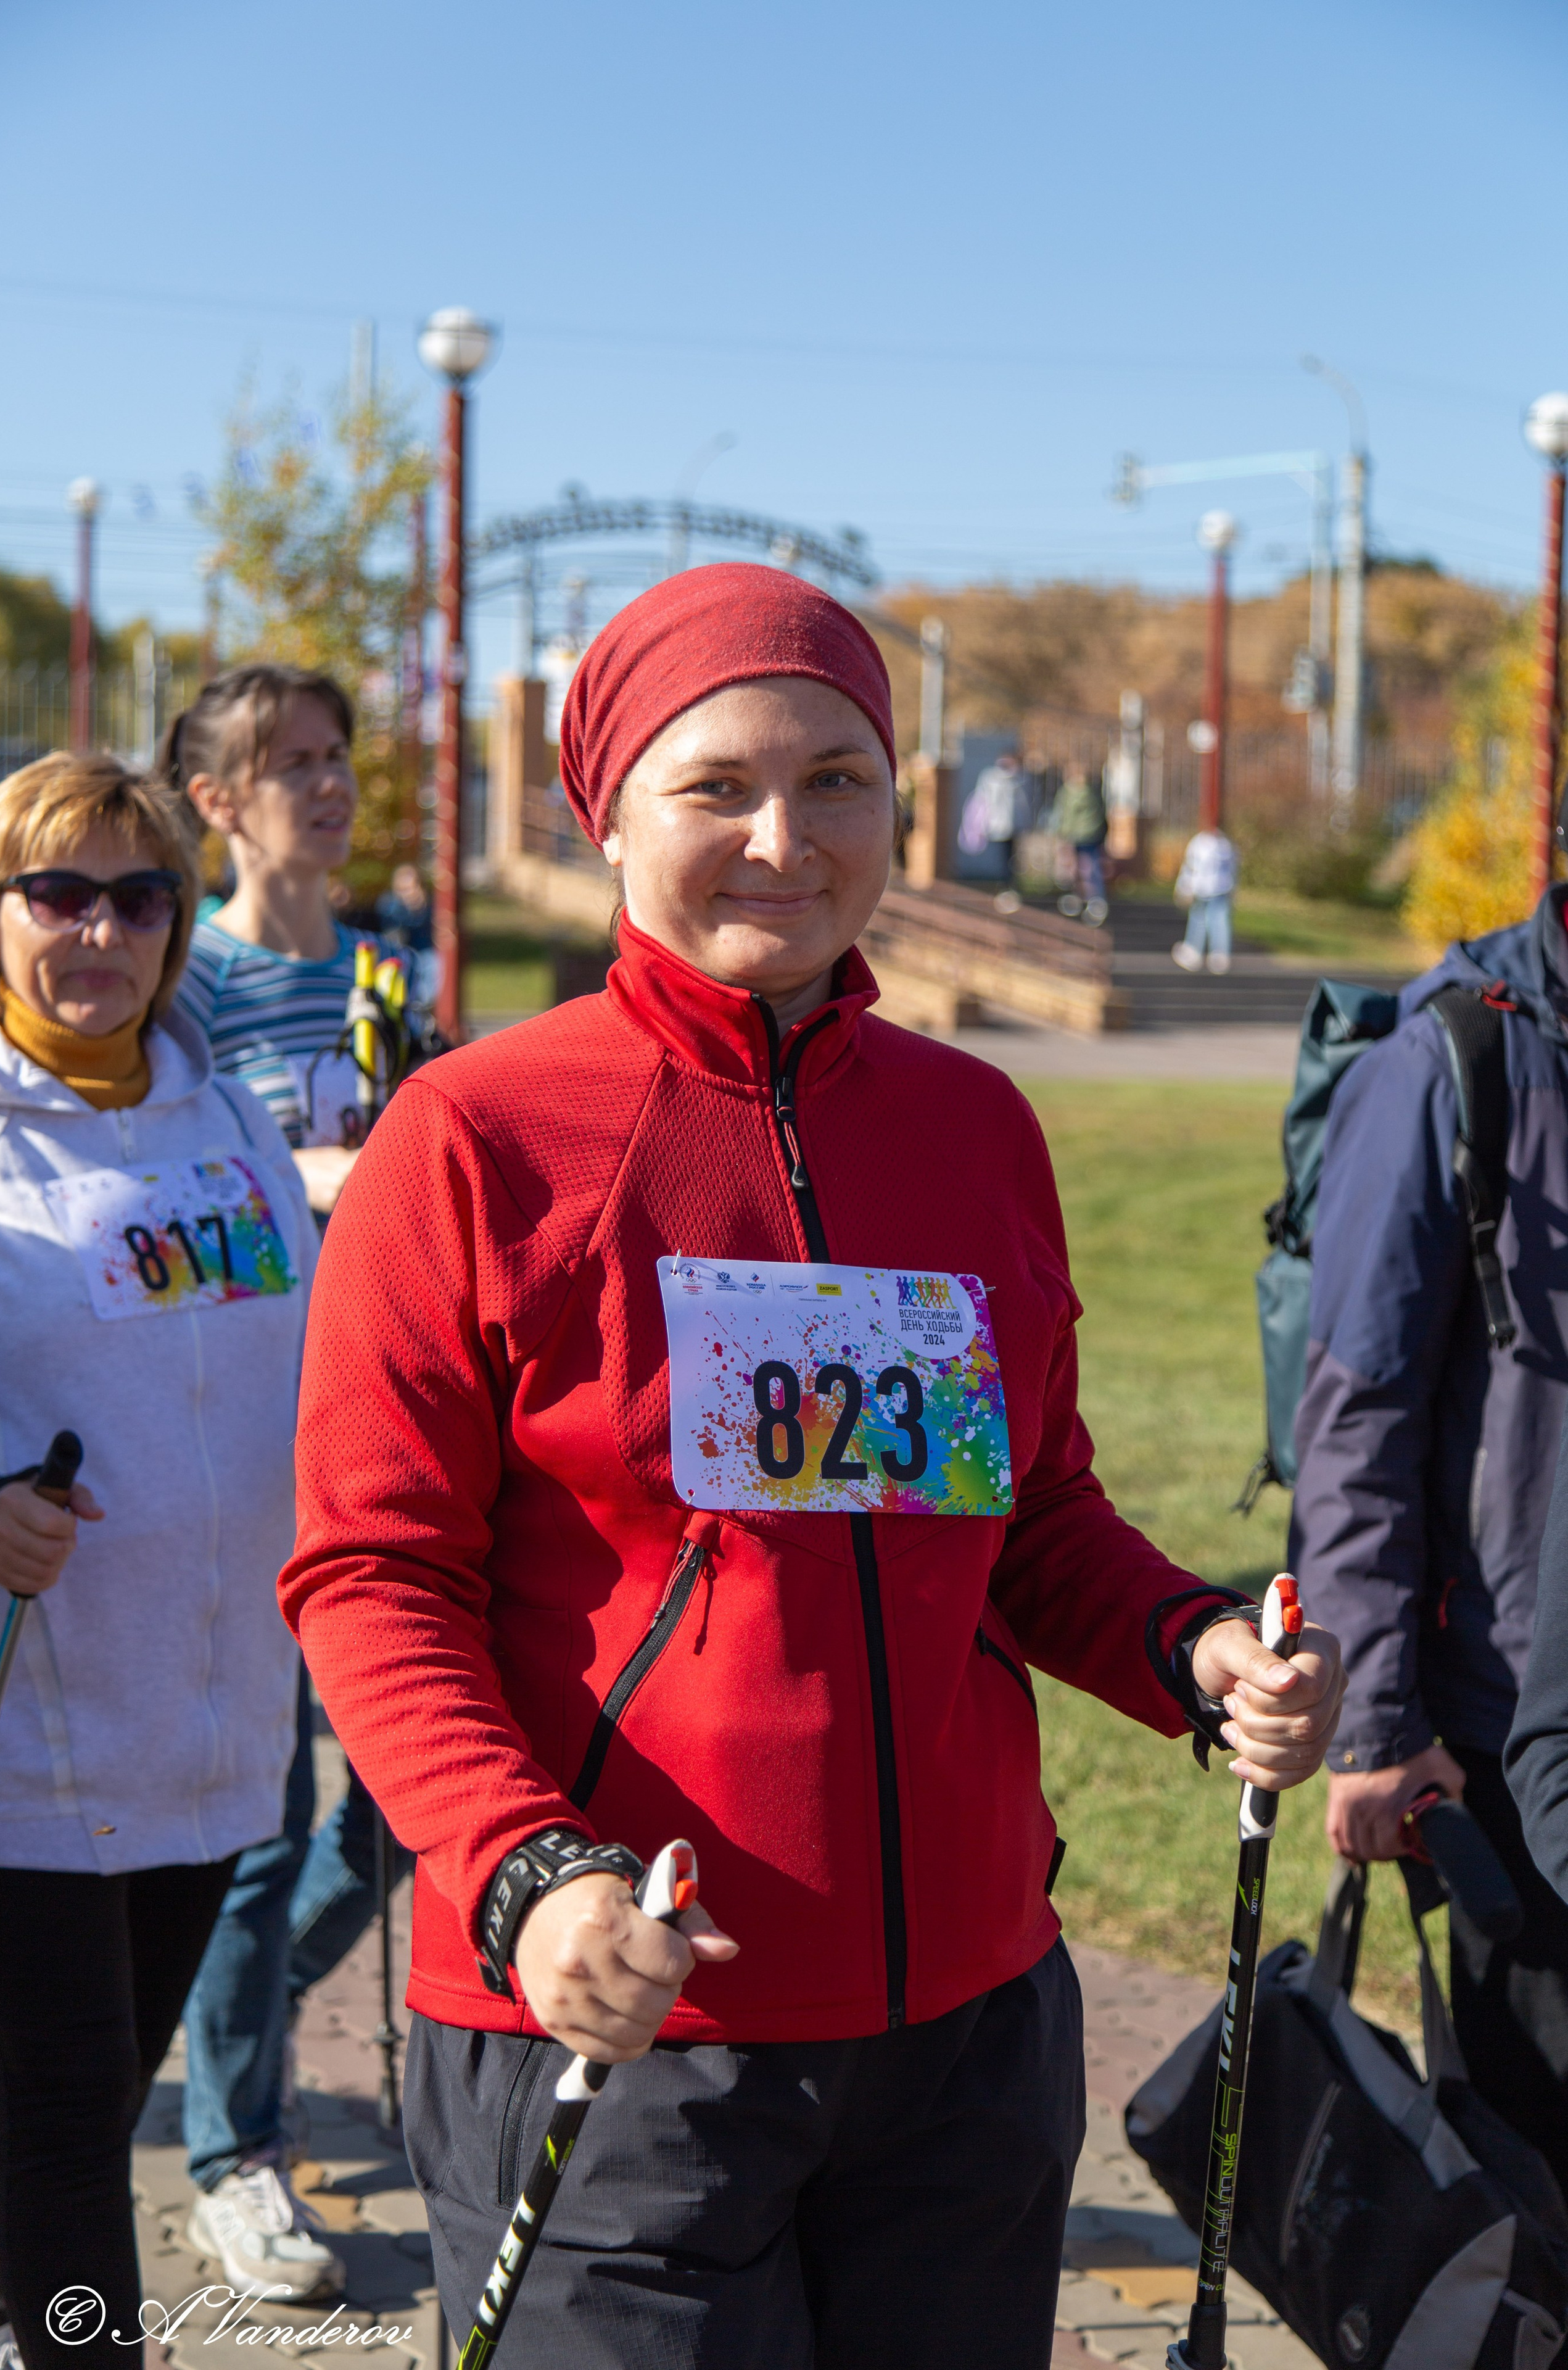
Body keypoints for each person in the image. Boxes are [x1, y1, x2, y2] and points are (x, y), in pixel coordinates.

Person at [279, 563, 1344, 2370]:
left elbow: (1024, 1512)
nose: (785, 835)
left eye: (839, 779)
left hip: (966, 2040)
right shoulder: (472, 1136)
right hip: (620, 2024)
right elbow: (369, 1572)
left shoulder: (971, 1122)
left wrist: (1189, 1647)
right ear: (605, 810)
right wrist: (525, 1871)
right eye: (718, 786)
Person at [0, 754, 316, 2370]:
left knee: (97, 2092)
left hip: (218, 1707)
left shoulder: (225, 1105)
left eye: (139, 895)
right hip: (27, 1727)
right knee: (66, 2118)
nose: (100, 929)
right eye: (59, 892)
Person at [163, 665, 414, 2297]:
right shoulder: (185, 990)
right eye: (288, 765)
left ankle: (207, 2023)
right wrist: (311, 1177)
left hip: (388, 1436)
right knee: (266, 1825)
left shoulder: (392, 974)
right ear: (218, 802)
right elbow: (166, 1212)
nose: (324, 788)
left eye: (335, 758)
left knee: (396, 1808)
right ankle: (232, 2152)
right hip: (247, 1440)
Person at [1292, 876, 1568, 2193]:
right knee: (1530, 2182)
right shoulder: (1454, 1058)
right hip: (1504, 1740)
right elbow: (1356, 1414)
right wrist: (1375, 1727)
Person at [1171, 824, 1237, 975]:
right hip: (1221, 888)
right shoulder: (1225, 843)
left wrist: (1183, 887)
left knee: (1200, 919)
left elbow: (1190, 868)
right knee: (1218, 920)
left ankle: (1195, 950)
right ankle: (1220, 955)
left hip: (1202, 889)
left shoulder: (1199, 842)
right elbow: (1233, 868)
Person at [1050, 765, 1108, 923]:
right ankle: (1094, 899)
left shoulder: (1068, 793)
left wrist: (1062, 834)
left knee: (1076, 869)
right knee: (1090, 867)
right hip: (1092, 835)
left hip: (1075, 836)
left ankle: (1080, 897)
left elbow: (1063, 816)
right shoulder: (1094, 792)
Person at [958, 748, 1025, 883]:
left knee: (1011, 856)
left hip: (1013, 825)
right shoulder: (992, 778)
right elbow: (984, 800)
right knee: (1001, 856)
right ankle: (1002, 882)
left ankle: (1008, 882)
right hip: (998, 824)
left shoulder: (1019, 778)